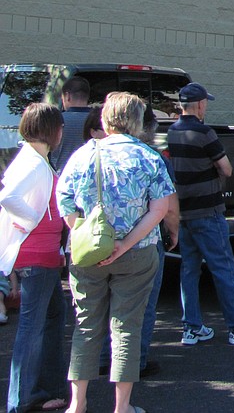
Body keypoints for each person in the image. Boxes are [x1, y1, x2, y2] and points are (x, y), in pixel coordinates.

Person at [57, 92, 175, 413]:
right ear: (137, 120)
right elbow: (160, 208)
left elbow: (64, 200)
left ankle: (77, 403)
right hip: (138, 253)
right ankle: (122, 406)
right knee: (126, 327)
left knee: (86, 326)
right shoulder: (148, 157)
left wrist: (86, 235)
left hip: (88, 253)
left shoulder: (82, 155)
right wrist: (125, 243)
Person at [168, 83, 234, 347]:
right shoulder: (205, 132)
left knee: (189, 269)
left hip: (185, 212)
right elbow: (226, 169)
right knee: (224, 269)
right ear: (200, 104)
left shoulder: (172, 131)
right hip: (208, 211)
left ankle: (191, 327)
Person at [1, 103, 69, 413]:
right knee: (32, 325)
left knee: (51, 317)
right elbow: (7, 197)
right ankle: (23, 399)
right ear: (52, 130)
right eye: (60, 126)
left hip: (41, 256)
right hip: (36, 257)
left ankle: (40, 391)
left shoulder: (32, 158)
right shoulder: (33, 162)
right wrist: (32, 220)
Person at [50, 76, 91, 173]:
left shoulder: (56, 120)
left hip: (62, 176)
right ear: (87, 96)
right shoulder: (100, 121)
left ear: (67, 96)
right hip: (92, 177)